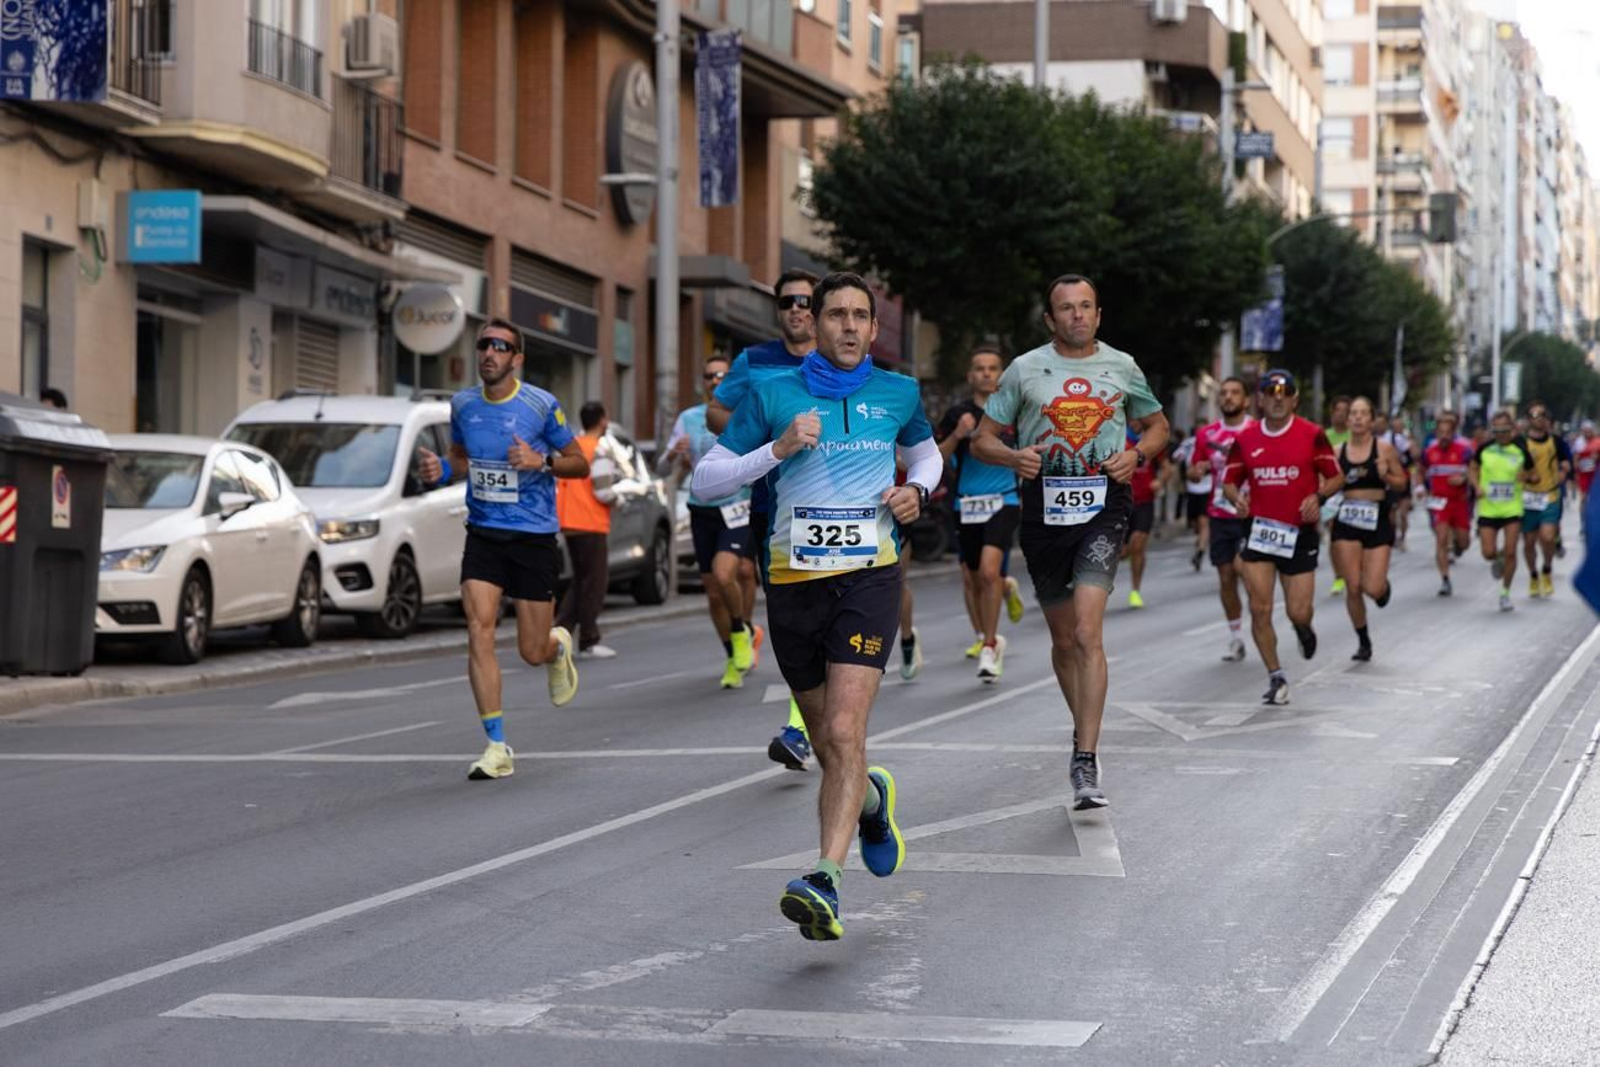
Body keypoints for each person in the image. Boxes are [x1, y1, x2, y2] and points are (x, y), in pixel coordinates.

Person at [692, 271, 941, 942]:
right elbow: (706, 478)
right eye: (837, 314)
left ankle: (825, 878)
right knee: (831, 742)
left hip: (868, 578)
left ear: (874, 327)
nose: (850, 326)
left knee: (843, 729)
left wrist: (916, 490)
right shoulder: (773, 391)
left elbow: (926, 456)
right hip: (792, 581)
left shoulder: (898, 391)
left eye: (861, 315)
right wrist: (775, 450)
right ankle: (873, 800)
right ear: (815, 323)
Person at [971, 274, 1168, 810]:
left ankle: (1086, 756)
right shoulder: (1023, 370)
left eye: (1086, 306)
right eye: (1066, 308)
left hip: (1105, 506)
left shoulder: (1122, 367)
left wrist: (1137, 455)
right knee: (1063, 641)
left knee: (1086, 630)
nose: (1077, 315)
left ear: (1098, 315)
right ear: (1050, 319)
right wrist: (1013, 456)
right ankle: (1082, 727)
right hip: (1043, 512)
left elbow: (1158, 426)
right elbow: (982, 440)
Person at [416, 318, 586, 780]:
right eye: (484, 345)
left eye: (500, 346)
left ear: (517, 359)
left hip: (532, 537)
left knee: (531, 650)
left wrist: (540, 461)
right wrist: (441, 471)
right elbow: (460, 457)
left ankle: (555, 648)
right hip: (484, 532)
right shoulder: (463, 404)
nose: (489, 353)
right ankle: (496, 746)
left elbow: (579, 463)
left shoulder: (540, 405)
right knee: (479, 629)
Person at [707, 269, 820, 771]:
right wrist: (761, 437)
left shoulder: (836, 360)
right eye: (787, 301)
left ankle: (802, 724)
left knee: (819, 615)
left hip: (828, 507)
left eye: (805, 301)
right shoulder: (755, 361)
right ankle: (808, 719)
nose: (796, 309)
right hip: (768, 508)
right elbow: (716, 411)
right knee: (791, 618)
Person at [1221, 369, 1344, 706]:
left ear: (1294, 399)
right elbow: (1229, 481)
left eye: (1285, 392)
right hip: (1259, 532)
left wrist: (1318, 497)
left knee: (1298, 611)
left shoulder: (1312, 434)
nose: (1278, 398)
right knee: (1259, 608)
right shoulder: (1246, 439)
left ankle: (1303, 629)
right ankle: (1276, 675)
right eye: (1270, 393)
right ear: (1259, 399)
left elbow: (1336, 477)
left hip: (1299, 533)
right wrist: (1236, 499)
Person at [660, 356, 760, 688]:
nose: (716, 380)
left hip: (739, 506)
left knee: (731, 571)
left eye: (722, 375)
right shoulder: (688, 418)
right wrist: (674, 454)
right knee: (714, 593)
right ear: (702, 382)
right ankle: (733, 653)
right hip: (702, 509)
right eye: (709, 376)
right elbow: (662, 468)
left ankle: (742, 628)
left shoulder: (747, 413)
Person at [937, 344, 1022, 682]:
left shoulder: (1014, 412)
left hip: (1005, 500)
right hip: (966, 504)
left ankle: (990, 644)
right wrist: (957, 435)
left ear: (1001, 375)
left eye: (992, 368)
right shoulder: (957, 414)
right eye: (980, 368)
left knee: (988, 572)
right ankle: (1004, 590)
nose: (986, 373)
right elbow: (937, 458)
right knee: (973, 579)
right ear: (970, 375)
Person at [1329, 398, 1407, 661]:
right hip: (1347, 520)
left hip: (1377, 519)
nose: (1358, 418)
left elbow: (1401, 484)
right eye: (1354, 413)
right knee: (1352, 586)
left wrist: (1386, 475)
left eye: (1364, 413)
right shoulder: (1337, 451)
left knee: (1371, 588)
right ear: (1347, 419)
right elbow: (1324, 483)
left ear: (1372, 420)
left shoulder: (1383, 449)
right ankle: (1363, 640)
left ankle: (1382, 589)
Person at [1189, 377, 1254, 661]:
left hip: (1251, 515)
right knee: (1226, 578)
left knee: (1245, 571)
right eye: (1224, 393)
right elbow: (1193, 470)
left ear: (1246, 400)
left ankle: (1261, 621)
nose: (1228, 397)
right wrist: (1197, 471)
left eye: (1235, 392)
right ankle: (1236, 636)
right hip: (1219, 514)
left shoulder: (1257, 430)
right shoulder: (1207, 434)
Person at [555, 401, 621, 659]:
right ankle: (588, 640)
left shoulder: (572, 448)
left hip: (570, 521)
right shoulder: (599, 450)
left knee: (581, 581)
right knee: (594, 582)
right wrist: (620, 500)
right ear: (603, 420)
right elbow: (603, 491)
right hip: (591, 522)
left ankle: (560, 635)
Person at [1470, 411, 1534, 612]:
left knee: (1511, 551)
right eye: (1496, 431)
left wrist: (1528, 478)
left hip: (1512, 509)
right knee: (1488, 552)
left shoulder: (1520, 450)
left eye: (1504, 430)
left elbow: (1534, 475)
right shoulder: (1484, 449)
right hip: (1488, 509)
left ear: (1512, 429)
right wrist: (1476, 486)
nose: (1501, 435)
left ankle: (1505, 593)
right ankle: (1498, 559)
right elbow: (1472, 468)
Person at [1519, 401, 1573, 599]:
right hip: (1527, 497)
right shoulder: (1520, 442)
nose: (1539, 419)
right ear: (1528, 420)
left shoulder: (1556, 441)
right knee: (1529, 542)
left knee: (1548, 537)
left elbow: (1567, 461)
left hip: (1550, 495)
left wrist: (1563, 471)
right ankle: (1533, 575)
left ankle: (1547, 568)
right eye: (1535, 415)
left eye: (1542, 415)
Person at [1422, 411, 1474, 596]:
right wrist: (1420, 488)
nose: (1444, 436)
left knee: (1464, 542)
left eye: (1447, 433)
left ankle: (1459, 546)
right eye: (1441, 432)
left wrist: (1464, 479)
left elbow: (1474, 471)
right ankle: (1445, 579)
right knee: (1441, 538)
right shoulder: (1429, 452)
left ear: (1453, 433)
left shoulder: (1464, 451)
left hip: (1459, 502)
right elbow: (1420, 470)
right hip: (1439, 502)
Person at [1121, 418, 1168, 609]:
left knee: (1138, 543)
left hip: (1144, 502)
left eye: (1139, 418)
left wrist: (1160, 481)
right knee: (1122, 552)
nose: (1135, 422)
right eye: (1132, 418)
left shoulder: (1151, 441)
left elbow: (1167, 468)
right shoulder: (1119, 440)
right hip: (1121, 503)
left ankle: (1135, 591)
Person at [1172, 429, 1210, 571]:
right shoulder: (1189, 443)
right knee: (1195, 524)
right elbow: (1176, 456)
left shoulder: (1212, 442)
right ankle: (1201, 539)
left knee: (1203, 522)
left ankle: (1200, 552)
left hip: (1207, 487)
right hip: (1192, 488)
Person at [1324, 397, 1352, 595]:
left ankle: (1355, 570)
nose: (1341, 414)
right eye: (1337, 410)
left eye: (1345, 410)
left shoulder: (1356, 435)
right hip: (1333, 492)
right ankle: (1339, 576)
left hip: (1354, 492)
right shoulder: (1324, 436)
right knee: (1334, 536)